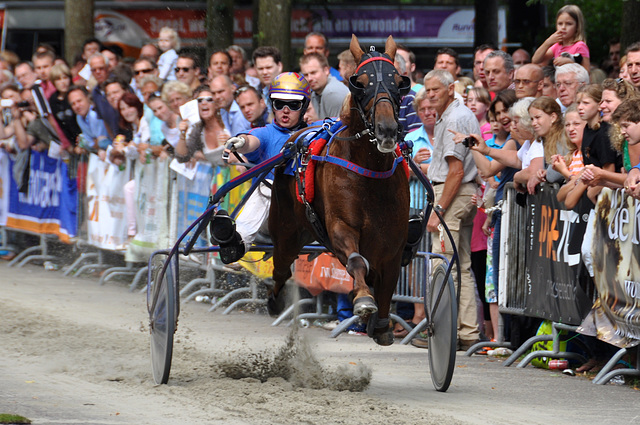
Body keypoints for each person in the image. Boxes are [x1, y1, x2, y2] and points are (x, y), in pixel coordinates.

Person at [209, 72, 311, 264]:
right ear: (272, 104)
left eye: (293, 104)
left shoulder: (316, 132)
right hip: (272, 199)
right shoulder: (265, 133)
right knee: (265, 189)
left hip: (306, 200)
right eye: (279, 104)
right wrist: (240, 142)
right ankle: (234, 240)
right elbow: (252, 141)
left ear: (304, 105)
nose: (285, 110)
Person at [423, 69, 480, 350]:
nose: (430, 94)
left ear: (451, 88)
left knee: (444, 265)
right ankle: (468, 332)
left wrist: (439, 209)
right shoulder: (455, 113)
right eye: (427, 90)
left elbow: (455, 171)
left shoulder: (455, 117)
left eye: (436, 89)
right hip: (462, 193)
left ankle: (448, 333)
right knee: (462, 266)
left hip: (452, 193)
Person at [401, 88, 434, 345]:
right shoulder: (411, 138)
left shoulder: (445, 136)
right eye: (421, 110)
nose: (427, 114)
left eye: (431, 109)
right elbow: (398, 172)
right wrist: (414, 166)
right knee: (413, 261)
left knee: (433, 261)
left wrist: (427, 167)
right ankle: (417, 314)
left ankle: (433, 316)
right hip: (413, 204)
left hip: (436, 206)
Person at [519, 97, 567, 194]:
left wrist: (546, 175)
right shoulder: (547, 138)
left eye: (538, 117)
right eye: (532, 119)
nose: (533, 123)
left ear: (553, 117)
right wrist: (544, 172)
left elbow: (554, 175)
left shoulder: (563, 137)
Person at [175, 85, 230, 167]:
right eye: (200, 100)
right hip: (221, 177)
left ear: (216, 104)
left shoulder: (228, 121)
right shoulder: (198, 130)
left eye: (209, 100)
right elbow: (182, 157)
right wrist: (182, 133)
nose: (204, 103)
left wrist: (231, 142)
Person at [532, 4, 590, 71]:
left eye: (569, 24)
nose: (563, 27)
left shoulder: (580, 45)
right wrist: (547, 42)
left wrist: (570, 62)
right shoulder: (557, 46)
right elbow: (535, 60)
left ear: (577, 26)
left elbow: (587, 71)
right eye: (560, 24)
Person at [299, 53, 349, 121]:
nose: (309, 78)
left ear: (326, 70)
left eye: (313, 73)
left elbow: (337, 128)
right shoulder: (315, 93)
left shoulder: (332, 93)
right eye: (305, 75)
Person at [68, 85, 110, 155]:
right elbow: (91, 142)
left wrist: (91, 144)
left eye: (79, 101)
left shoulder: (95, 114)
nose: (77, 106)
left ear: (87, 98)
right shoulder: (79, 117)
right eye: (73, 104)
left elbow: (101, 141)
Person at [48, 63, 81, 150]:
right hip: (72, 143)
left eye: (65, 78)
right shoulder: (53, 100)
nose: (63, 82)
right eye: (58, 79)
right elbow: (60, 125)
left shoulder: (76, 93)